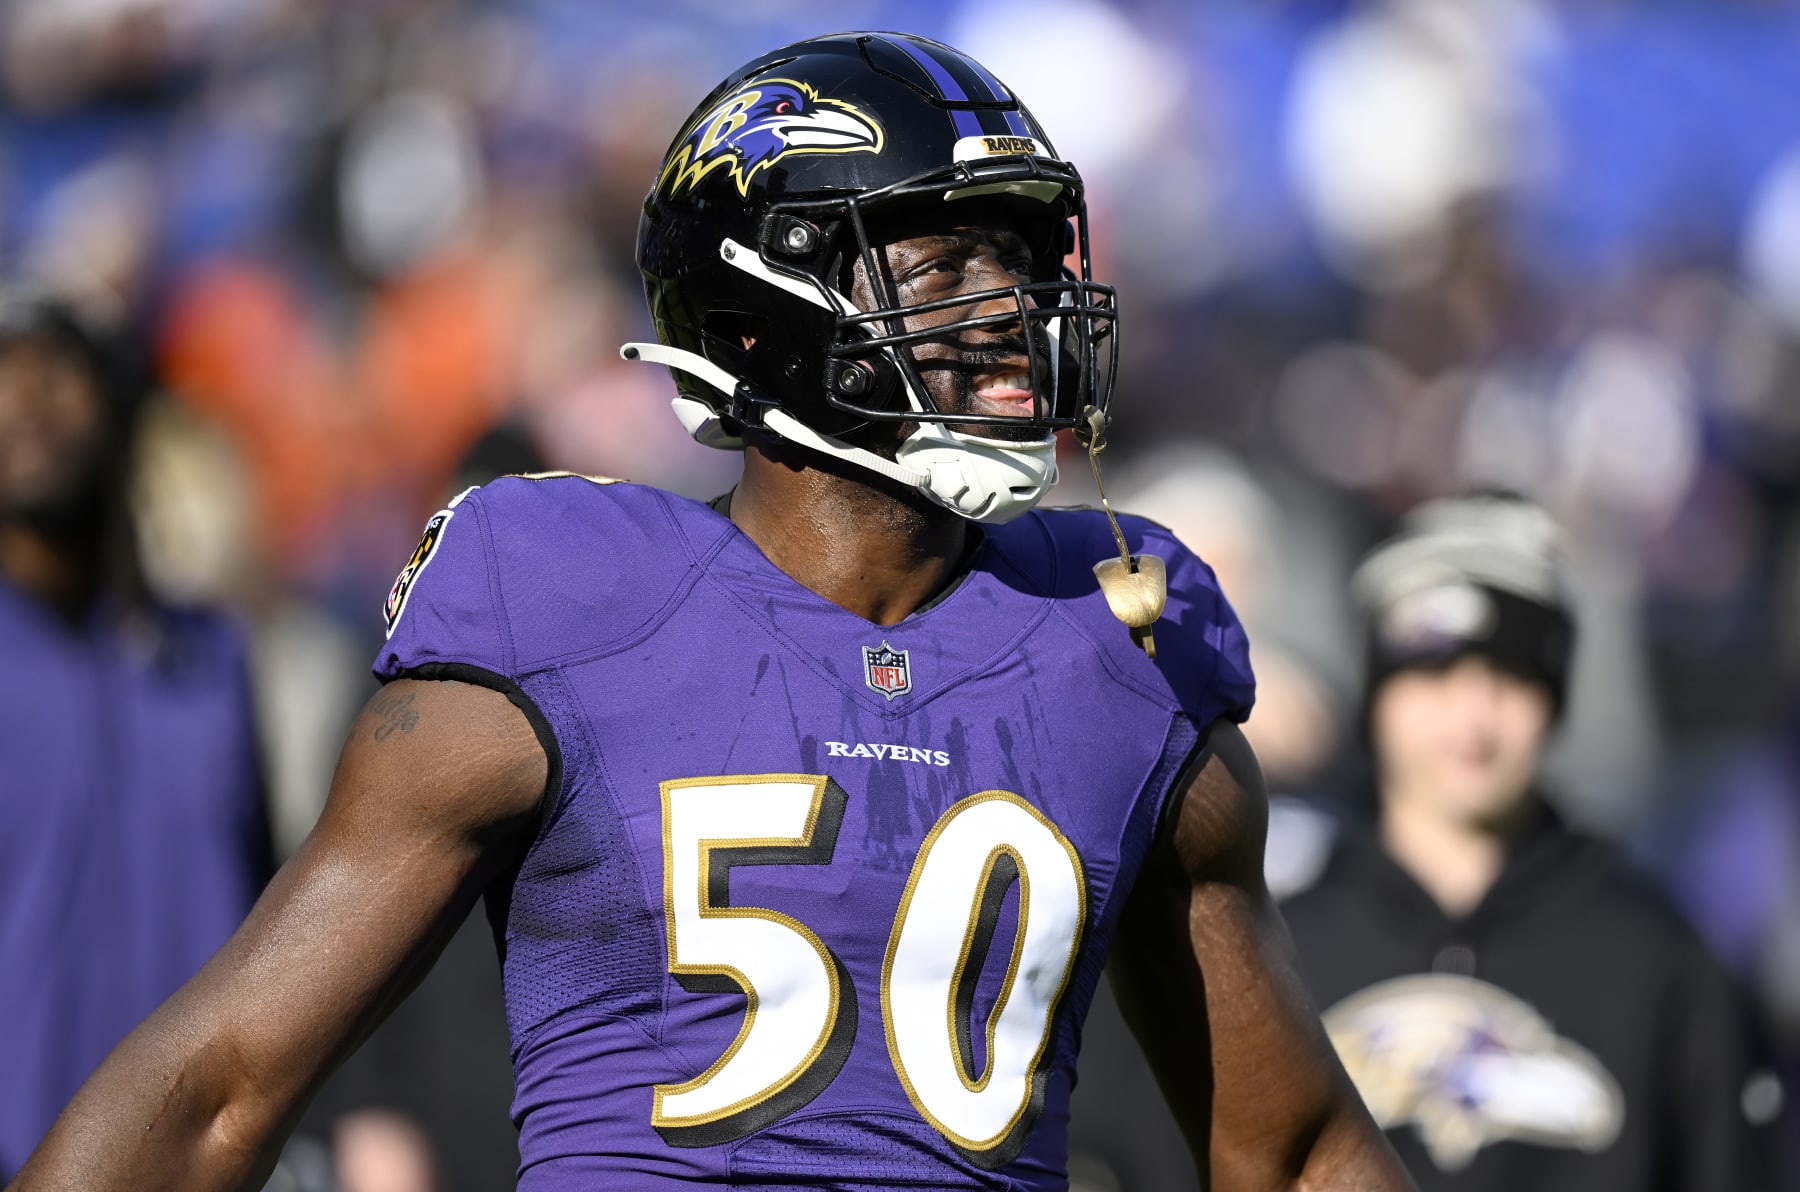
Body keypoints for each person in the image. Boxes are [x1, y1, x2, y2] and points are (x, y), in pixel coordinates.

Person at [11, 33, 1413, 1191]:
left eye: (1023, 260)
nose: (1012, 310)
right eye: (945, 268)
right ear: (757, 317)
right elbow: (217, 1093)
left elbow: (1294, 1152)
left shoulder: (1115, 644)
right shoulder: (571, 602)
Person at [1273, 493, 1788, 1191]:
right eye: (1434, 673)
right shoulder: (1280, 958)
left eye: (1511, 675)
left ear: (1555, 699)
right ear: (1377, 697)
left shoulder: (1660, 964)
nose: (1473, 719)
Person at [0, 290, 270, 1182]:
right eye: (2, 374)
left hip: (206, 1166)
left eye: (57, 367)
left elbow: (276, 917)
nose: (25, 400)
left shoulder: (213, 657)